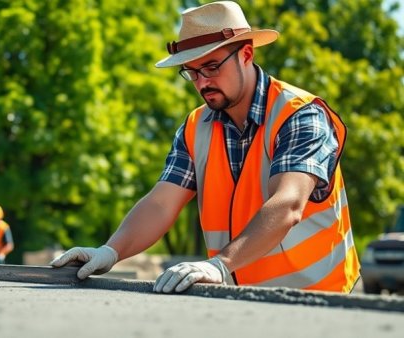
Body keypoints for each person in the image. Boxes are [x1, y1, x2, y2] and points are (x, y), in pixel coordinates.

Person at [51, 1, 360, 293]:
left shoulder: (300, 114)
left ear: (247, 54)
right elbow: (161, 204)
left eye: (211, 66)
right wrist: (110, 251)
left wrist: (219, 265)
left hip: (320, 301)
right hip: (245, 302)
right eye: (192, 72)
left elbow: (288, 204)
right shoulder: (195, 127)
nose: (202, 83)